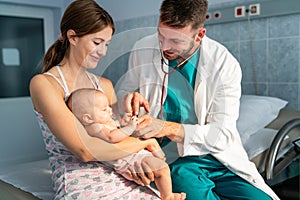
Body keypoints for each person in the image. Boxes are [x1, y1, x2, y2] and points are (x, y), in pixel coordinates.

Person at [117, 0, 280, 199]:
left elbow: (222, 134)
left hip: (218, 157)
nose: (164, 46)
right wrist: (128, 98)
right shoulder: (142, 48)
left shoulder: (223, 63)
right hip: (173, 158)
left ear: (199, 35)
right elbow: (125, 90)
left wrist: (166, 127)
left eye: (175, 41)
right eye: (161, 35)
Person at [29, 0, 165, 199]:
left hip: (121, 173)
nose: (103, 52)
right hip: (81, 182)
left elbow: (118, 137)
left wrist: (131, 114)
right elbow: (85, 150)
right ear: (72, 37)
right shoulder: (45, 84)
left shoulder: (104, 85)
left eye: (107, 44)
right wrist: (146, 144)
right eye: (97, 42)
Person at [67, 88, 186, 200]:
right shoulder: (94, 127)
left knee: (160, 166)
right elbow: (112, 137)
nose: (109, 110)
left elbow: (116, 129)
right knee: (163, 169)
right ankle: (167, 196)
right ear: (87, 118)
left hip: (131, 155)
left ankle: (164, 184)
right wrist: (130, 127)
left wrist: (124, 122)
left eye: (108, 106)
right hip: (129, 160)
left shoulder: (102, 122)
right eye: (104, 109)